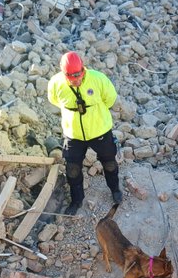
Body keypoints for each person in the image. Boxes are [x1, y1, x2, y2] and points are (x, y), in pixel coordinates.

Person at [47, 51, 122, 215]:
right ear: (64, 74)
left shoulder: (98, 79)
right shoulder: (56, 83)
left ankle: (115, 189)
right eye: (72, 78)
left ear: (83, 70)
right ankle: (76, 200)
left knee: (109, 163)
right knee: (72, 169)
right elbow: (53, 100)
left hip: (100, 131)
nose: (77, 80)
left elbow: (110, 98)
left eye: (79, 76)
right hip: (73, 134)